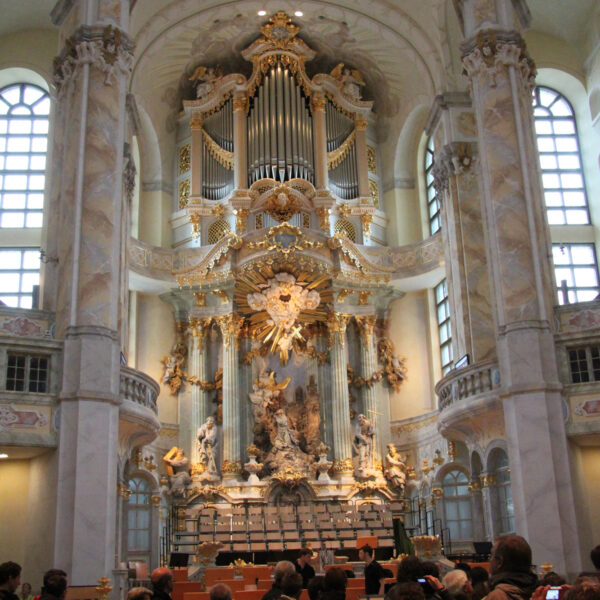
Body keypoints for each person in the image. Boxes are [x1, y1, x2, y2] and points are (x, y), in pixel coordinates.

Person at [485, 535, 538, 600]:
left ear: (499, 562)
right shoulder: (540, 593)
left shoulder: (497, 596)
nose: (489, 560)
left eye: (491, 555)